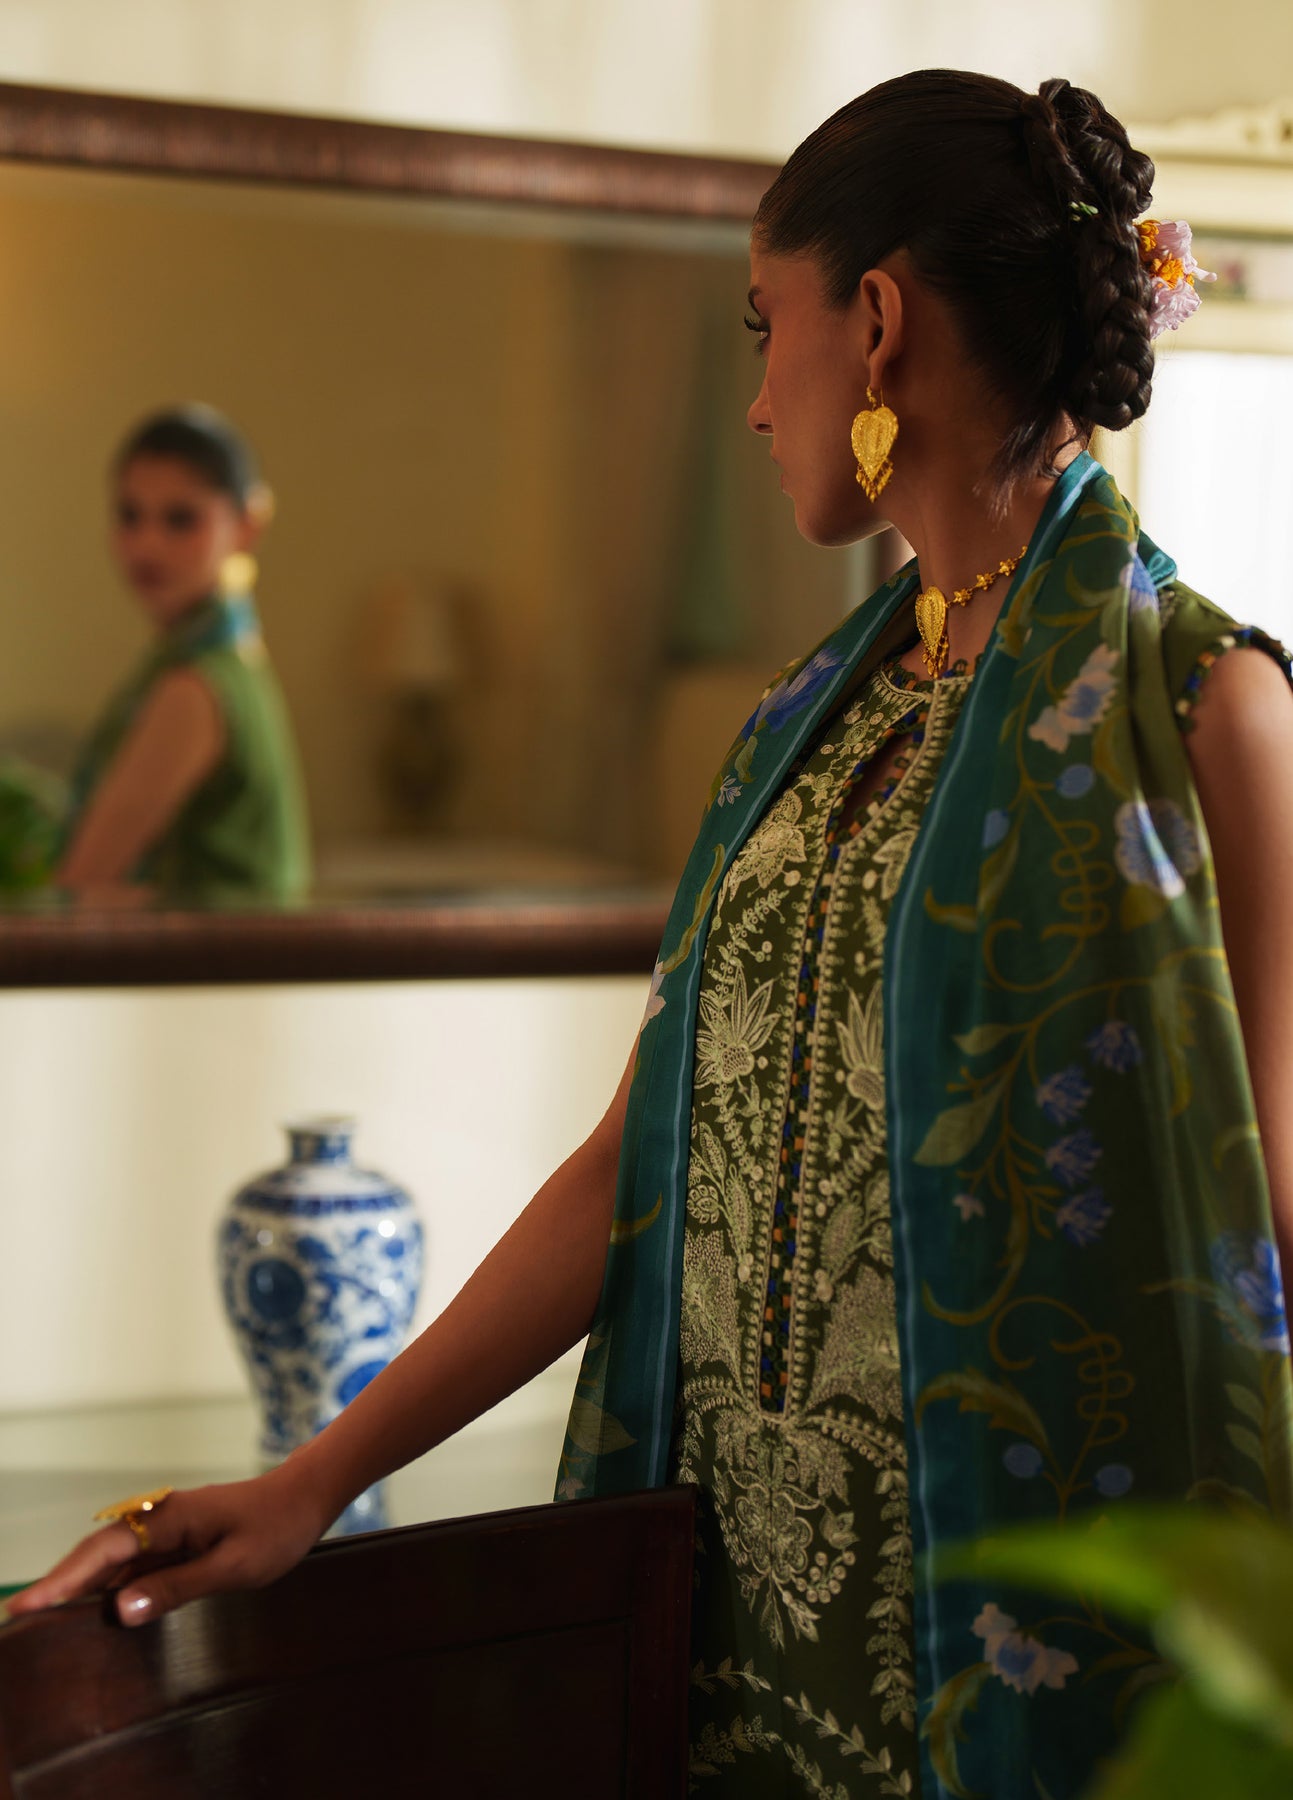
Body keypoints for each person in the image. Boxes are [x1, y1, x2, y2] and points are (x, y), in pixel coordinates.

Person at [10, 71, 1293, 1800]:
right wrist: (312, 1480)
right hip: (741, 1646)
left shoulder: (1203, 709)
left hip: (1035, 1674)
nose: (755, 401)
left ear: (878, 323)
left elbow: (1274, 1235)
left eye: (764, 327)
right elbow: (638, 1166)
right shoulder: (799, 730)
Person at [55, 404, 311, 901]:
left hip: (224, 955)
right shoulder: (211, 661)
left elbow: (80, 884)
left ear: (247, 527)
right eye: (130, 516)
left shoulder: (195, 686)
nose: (147, 545)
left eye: (181, 519)